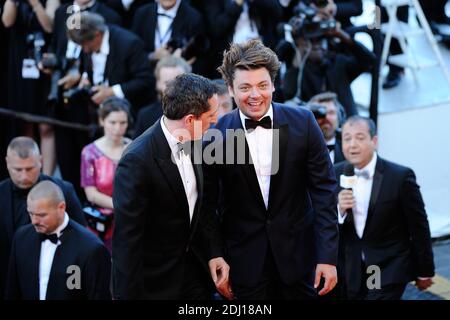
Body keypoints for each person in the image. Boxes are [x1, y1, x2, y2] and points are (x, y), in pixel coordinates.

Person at [202, 39, 339, 300]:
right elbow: (207, 205)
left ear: (274, 85)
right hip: (244, 264)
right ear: (230, 89)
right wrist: (216, 254)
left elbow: (324, 191)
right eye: (245, 87)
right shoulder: (216, 135)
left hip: (301, 260)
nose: (255, 95)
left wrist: (327, 256)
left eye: (262, 85)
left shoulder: (304, 123)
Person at [112, 73, 231, 299]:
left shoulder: (198, 140)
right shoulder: (137, 161)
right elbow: (127, 241)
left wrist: (214, 253)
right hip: (154, 284)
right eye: (211, 115)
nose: (216, 120)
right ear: (189, 120)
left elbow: (202, 206)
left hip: (195, 276)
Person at [335, 116, 435, 299]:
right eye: (347, 138)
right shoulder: (335, 173)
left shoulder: (400, 176)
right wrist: (339, 210)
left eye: (359, 137)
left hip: (387, 266)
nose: (352, 145)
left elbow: (419, 225)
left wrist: (425, 269)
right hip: (350, 268)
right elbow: (322, 221)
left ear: (374, 141)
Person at [0, 136, 86, 298]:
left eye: (30, 168)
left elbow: (81, 238)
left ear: (40, 161)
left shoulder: (64, 191)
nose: (24, 176)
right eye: (18, 170)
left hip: (57, 280)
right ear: (7, 163)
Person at [5, 181, 111, 300]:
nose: (34, 221)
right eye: (31, 213)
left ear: (61, 208)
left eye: (42, 215)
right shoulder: (21, 238)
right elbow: (12, 291)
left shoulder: (91, 248)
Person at [2, 0, 60, 176]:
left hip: (44, 61)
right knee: (25, 122)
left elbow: (49, 26)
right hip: (19, 60)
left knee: (45, 125)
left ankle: (48, 176)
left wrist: (35, 4)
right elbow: (7, 21)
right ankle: (27, 171)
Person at [81, 97, 132, 251]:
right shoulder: (89, 152)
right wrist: (121, 205)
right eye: (112, 122)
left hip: (130, 221)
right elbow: (91, 194)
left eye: (122, 123)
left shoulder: (134, 148)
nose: (118, 128)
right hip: (101, 224)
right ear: (102, 121)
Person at [133, 55, 191, 138]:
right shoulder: (146, 116)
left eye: (179, 83)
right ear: (158, 83)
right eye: (167, 83)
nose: (174, 88)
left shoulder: (203, 113)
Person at [308, 91, 345, 164]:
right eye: (320, 113)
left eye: (331, 112)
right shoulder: (297, 147)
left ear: (339, 117)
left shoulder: (348, 149)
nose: (326, 117)